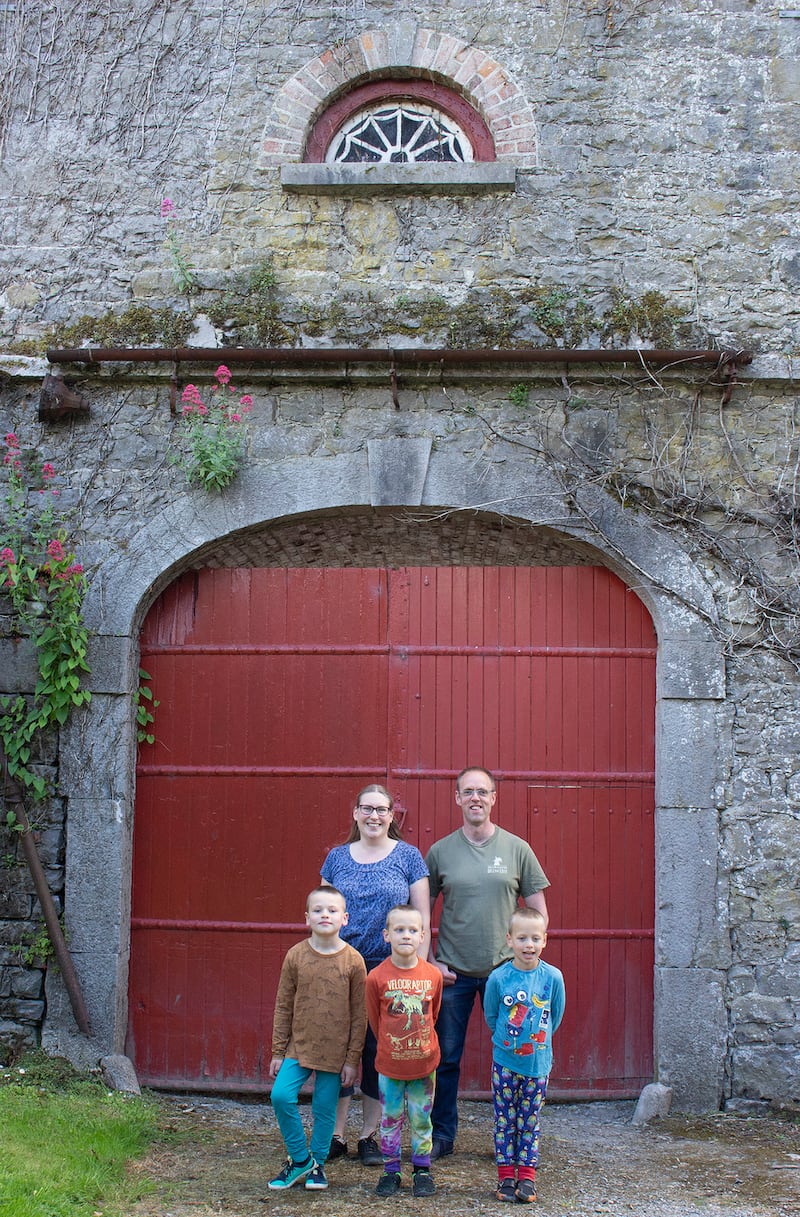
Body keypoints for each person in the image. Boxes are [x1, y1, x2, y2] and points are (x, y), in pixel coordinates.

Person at [426, 766, 549, 1159]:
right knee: (446, 1058)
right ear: (457, 798)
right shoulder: (440, 851)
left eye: (483, 791)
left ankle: (510, 1138)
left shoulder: (517, 849)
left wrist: (526, 965)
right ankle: (442, 1133)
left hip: (506, 976)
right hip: (453, 973)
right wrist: (430, 961)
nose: (475, 798)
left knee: (513, 1056)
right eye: (468, 792)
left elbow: (537, 913)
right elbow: (421, 911)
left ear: (494, 798)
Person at [320, 783, 430, 1165]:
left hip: (389, 972)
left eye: (382, 810)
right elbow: (323, 913)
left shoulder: (409, 857)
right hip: (342, 967)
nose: (374, 816)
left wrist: (419, 971)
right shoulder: (336, 858)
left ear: (391, 816)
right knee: (337, 1047)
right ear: (355, 813)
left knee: (375, 1049)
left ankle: (369, 1134)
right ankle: (334, 1135)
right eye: (367, 808)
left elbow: (422, 922)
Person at [267, 886, 367, 1192]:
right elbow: (283, 1004)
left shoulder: (353, 961)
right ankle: (300, 1159)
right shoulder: (296, 956)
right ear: (307, 917)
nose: (326, 915)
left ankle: (318, 1164)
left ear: (345, 918)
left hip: (335, 1052)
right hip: (299, 1046)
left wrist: (352, 1059)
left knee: (325, 1108)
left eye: (333, 910)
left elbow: (360, 1015)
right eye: (319, 910)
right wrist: (278, 1050)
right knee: (281, 1096)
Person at [483, 907, 565, 1203]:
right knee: (505, 1120)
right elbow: (492, 1016)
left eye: (535, 938)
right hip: (505, 1063)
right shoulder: (498, 978)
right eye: (522, 938)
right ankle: (505, 1176)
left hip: (537, 1065)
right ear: (509, 940)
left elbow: (555, 1016)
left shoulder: (553, 977)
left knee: (529, 1120)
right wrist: (507, 1041)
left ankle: (527, 1178)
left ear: (544, 940)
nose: (528, 945)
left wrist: (538, 1043)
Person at [366, 904, 443, 1199]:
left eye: (413, 930)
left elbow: (432, 1014)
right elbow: (375, 1019)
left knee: (422, 1118)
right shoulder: (376, 977)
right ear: (387, 935)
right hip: (390, 1066)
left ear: (423, 935)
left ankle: (422, 1169)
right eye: (399, 930)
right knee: (390, 1118)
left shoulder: (432, 975)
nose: (406, 936)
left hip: (424, 1064)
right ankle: (391, 1170)